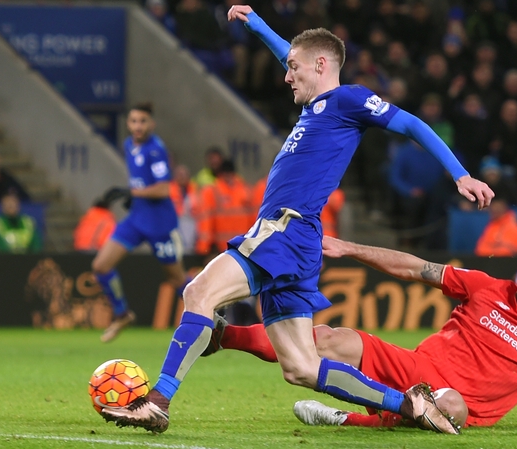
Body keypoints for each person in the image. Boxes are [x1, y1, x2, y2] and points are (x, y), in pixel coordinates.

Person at [100, 5, 493, 434]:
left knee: (199, 292)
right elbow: (293, 51)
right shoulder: (319, 104)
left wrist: (460, 174)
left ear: (321, 65)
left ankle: (157, 402)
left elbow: (413, 124)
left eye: (293, 68)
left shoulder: (348, 99)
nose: (286, 75)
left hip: (285, 228)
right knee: (303, 367)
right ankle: (411, 404)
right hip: (298, 239)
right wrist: (257, 25)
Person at [203, 236, 517, 431]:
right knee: (333, 338)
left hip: (457, 401)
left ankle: (344, 418)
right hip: (417, 367)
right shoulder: (486, 287)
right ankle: (222, 336)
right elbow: (415, 268)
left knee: (452, 409)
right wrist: (349, 248)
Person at [91, 103, 187, 343]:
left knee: (177, 280)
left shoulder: (155, 150)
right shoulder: (128, 145)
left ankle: (212, 319)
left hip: (160, 224)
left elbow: (164, 189)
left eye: (142, 121)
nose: (137, 126)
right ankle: (122, 314)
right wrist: (133, 196)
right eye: (133, 121)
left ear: (151, 124)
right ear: (128, 123)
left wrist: (132, 193)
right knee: (101, 265)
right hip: (137, 219)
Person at [194, 159, 253, 256]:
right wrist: (203, 247)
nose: (228, 176)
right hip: (220, 247)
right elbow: (206, 221)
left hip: (242, 247)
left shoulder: (245, 190)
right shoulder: (213, 191)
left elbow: (252, 219)